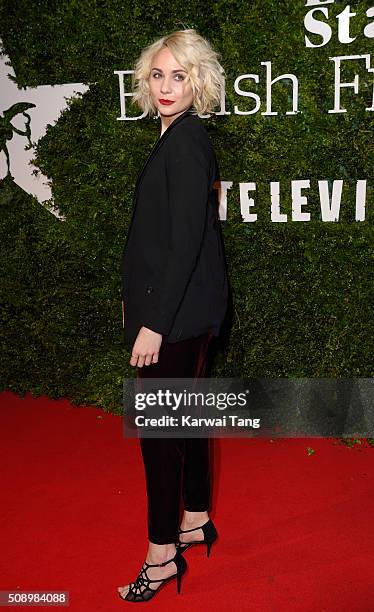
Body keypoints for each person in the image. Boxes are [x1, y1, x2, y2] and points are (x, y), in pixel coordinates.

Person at [118, 28, 229, 603]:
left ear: (198, 81)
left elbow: (184, 243)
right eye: (158, 75)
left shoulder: (185, 143)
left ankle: (161, 554)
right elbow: (160, 239)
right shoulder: (180, 137)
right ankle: (195, 518)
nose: (166, 86)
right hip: (185, 310)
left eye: (178, 76)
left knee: (158, 435)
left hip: (177, 318)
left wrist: (153, 321)